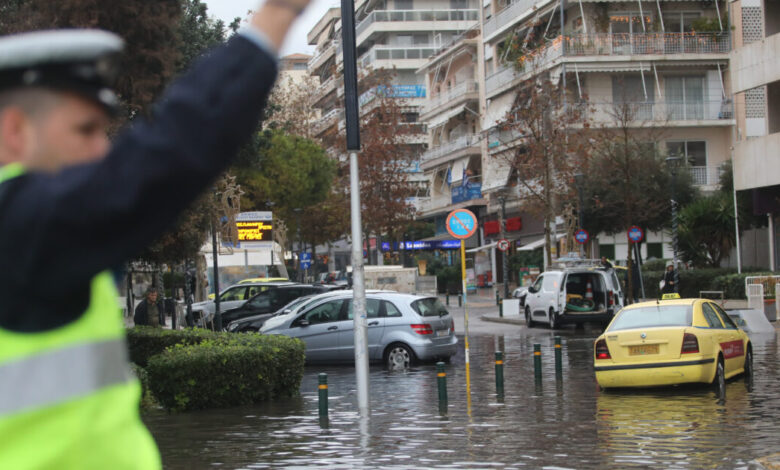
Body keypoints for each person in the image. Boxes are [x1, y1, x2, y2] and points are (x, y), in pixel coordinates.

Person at [0, 0, 310, 467]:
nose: (102, 149)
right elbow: (173, 149)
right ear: (15, 130)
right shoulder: (26, 223)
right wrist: (278, 16)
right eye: (85, 129)